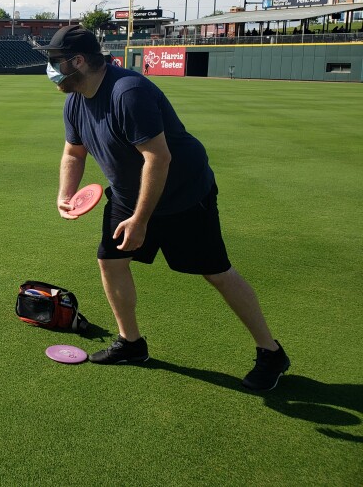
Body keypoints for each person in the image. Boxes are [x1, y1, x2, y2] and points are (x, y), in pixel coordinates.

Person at [43, 25, 290, 391]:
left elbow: (158, 158)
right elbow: (73, 152)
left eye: (55, 62)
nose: (50, 70)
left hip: (182, 194)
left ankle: (271, 352)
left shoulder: (129, 92)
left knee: (216, 271)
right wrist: (66, 194)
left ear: (78, 61)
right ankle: (131, 343)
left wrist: (141, 221)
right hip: (129, 191)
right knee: (110, 261)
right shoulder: (74, 101)